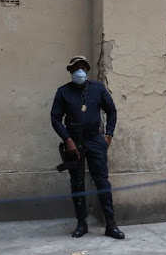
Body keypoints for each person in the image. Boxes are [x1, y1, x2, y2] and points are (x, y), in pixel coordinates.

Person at [50, 55, 124, 239]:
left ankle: (111, 224)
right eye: (76, 68)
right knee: (78, 184)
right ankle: (81, 223)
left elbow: (111, 111)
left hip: (95, 140)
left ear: (87, 69)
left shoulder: (97, 89)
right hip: (74, 142)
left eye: (83, 67)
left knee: (102, 181)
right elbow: (55, 118)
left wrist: (109, 134)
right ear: (70, 71)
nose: (80, 71)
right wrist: (67, 139)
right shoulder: (63, 92)